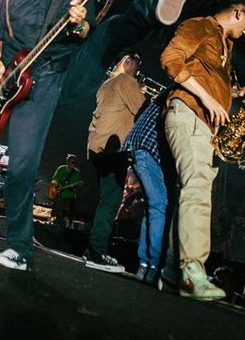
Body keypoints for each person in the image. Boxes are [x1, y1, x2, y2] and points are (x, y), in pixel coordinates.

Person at [0, 0, 197, 271]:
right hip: (19, 85)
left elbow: (85, 34)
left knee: (109, 30)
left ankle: (154, 3)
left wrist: (80, 23)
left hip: (63, 73)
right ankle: (20, 249)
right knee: (21, 168)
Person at [159, 0, 245, 299]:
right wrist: (206, 96)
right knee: (198, 187)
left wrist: (237, 92)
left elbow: (209, 77)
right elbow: (170, 60)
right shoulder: (200, 26)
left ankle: (173, 274)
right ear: (239, 13)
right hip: (189, 112)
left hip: (205, 124)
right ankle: (192, 270)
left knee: (194, 189)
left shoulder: (225, 46)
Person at [84, 53, 146, 272]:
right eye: (137, 62)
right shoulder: (126, 81)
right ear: (127, 62)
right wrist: (140, 91)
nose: (139, 67)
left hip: (97, 148)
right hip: (113, 150)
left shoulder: (106, 84)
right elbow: (144, 110)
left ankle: (93, 248)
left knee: (105, 199)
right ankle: (97, 252)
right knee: (110, 202)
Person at [124, 88, 170, 286]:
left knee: (153, 207)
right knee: (159, 205)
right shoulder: (182, 90)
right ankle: (152, 265)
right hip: (148, 149)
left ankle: (145, 265)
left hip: (136, 148)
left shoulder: (167, 91)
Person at [47, 154, 83, 224]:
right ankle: (56, 222)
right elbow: (55, 179)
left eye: (75, 163)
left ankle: (64, 224)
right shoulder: (61, 168)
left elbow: (76, 186)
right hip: (58, 194)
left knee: (63, 211)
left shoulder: (77, 173)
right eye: (71, 162)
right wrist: (55, 187)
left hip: (69, 196)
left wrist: (76, 185)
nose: (73, 164)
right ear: (67, 162)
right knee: (56, 209)